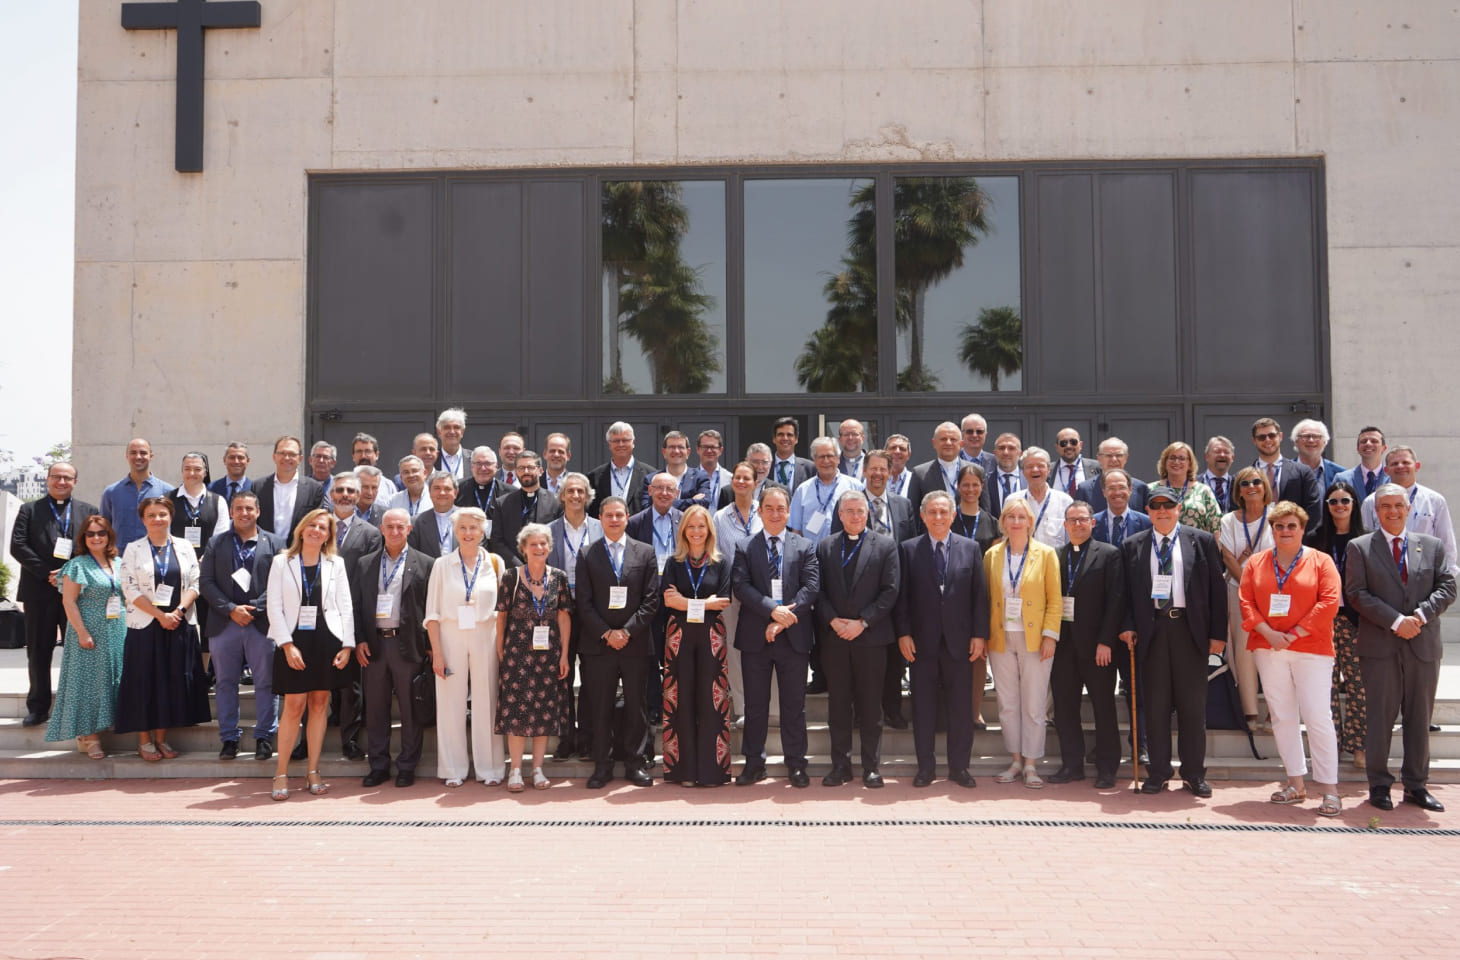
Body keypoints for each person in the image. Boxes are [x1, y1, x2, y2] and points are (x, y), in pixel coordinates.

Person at [1346, 483, 1457, 812]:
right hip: (1380, 646)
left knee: (1418, 718)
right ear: (1376, 511)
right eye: (1385, 506)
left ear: (1409, 508)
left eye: (1398, 505)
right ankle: (1379, 785)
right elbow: (1356, 593)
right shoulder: (1360, 547)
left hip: (1422, 645)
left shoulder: (1432, 546)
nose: (1392, 511)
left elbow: (1448, 585)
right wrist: (1396, 621)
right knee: (1379, 718)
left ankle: (1416, 785)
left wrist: (1419, 616)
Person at [1118, 484, 1227, 797]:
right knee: (1155, 707)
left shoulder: (1201, 541)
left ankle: (1194, 773)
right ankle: (1159, 772)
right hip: (1151, 633)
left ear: (1179, 508)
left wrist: (1218, 634)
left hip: (1189, 632)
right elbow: (1124, 593)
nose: (1163, 511)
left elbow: (1216, 592)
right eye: (1156, 506)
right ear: (1148, 511)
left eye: (1169, 505)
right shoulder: (1133, 545)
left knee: (1193, 708)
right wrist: (1127, 626)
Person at [1238, 500, 1344, 817]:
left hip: (1311, 648)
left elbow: (1329, 601)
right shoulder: (1256, 563)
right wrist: (1269, 634)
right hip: (1268, 647)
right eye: (1279, 526)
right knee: (1282, 716)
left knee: (1317, 716)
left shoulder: (1321, 561)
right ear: (1271, 530)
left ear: (1301, 529)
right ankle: (1295, 783)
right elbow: (1245, 601)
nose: (1285, 531)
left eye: (1291, 526)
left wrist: (1294, 633)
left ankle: (1329, 790)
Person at [894, 490, 989, 788]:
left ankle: (959, 768)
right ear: (922, 516)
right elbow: (902, 598)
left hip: (960, 644)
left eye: (943, 512)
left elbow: (979, 596)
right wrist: (904, 633)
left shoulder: (970, 548)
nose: (937, 517)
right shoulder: (908, 549)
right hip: (921, 644)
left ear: (952, 516)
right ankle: (926, 768)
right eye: (932, 512)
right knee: (922, 708)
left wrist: (979, 635)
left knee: (961, 710)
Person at [265, 508, 356, 800]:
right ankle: (281, 773)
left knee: (319, 704)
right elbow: (274, 606)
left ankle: (313, 771)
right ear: (302, 530)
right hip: (294, 640)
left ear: (329, 535)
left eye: (323, 527)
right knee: (293, 707)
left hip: (327, 639)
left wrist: (347, 644)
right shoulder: (282, 562)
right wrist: (286, 644)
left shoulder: (335, 564)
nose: (317, 530)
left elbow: (346, 606)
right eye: (312, 526)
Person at [732, 484, 819, 788]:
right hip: (756, 637)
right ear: (759, 511)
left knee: (793, 706)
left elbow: (810, 589)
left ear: (788, 511)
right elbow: (741, 587)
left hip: (793, 637)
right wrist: (773, 611)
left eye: (781, 508)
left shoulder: (804, 546)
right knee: (755, 706)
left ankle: (796, 764)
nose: (775, 513)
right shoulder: (745, 546)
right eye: (768, 508)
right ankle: (754, 764)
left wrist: (782, 620)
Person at [115, 497, 210, 761]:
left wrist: (177, 611)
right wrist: (159, 615)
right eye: (151, 515)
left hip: (178, 624)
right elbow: (129, 588)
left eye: (162, 514)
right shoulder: (133, 549)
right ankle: (144, 741)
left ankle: (161, 738)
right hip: (145, 625)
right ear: (143, 519)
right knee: (144, 681)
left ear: (171, 517)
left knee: (169, 681)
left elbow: (195, 581)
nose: (157, 519)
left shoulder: (184, 547)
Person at [575, 496, 660, 788]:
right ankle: (603, 764)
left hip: (634, 644)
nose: (614, 520)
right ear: (601, 518)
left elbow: (651, 600)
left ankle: (635, 764)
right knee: (600, 706)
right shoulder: (587, 554)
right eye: (608, 515)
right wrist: (607, 633)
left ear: (627, 518)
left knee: (636, 704)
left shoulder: (645, 552)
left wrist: (627, 632)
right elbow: (583, 602)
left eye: (619, 515)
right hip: (598, 645)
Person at [816, 491, 899, 788]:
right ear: (839, 515)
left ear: (868, 514)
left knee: (870, 706)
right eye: (849, 511)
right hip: (836, 637)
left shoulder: (886, 546)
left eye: (860, 511)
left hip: (871, 637)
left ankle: (871, 767)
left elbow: (890, 591)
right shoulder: (825, 547)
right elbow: (819, 590)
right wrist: (832, 620)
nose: (855, 516)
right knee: (838, 705)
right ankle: (840, 766)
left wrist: (863, 622)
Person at [9, 461, 99, 726]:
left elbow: (95, 545)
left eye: (67, 478)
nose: (61, 482)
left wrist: (69, 573)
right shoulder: (29, 510)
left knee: (79, 651)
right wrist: (48, 572)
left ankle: (78, 704)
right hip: (39, 591)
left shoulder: (88, 511)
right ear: (48, 479)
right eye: (56, 477)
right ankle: (38, 706)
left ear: (75, 482)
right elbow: (18, 546)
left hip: (78, 592)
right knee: (38, 650)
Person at [197, 490, 284, 761]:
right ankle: (229, 738)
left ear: (258, 511)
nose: (244, 513)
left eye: (249, 508)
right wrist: (231, 609)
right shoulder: (216, 542)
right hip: (225, 623)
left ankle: (264, 737)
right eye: (239, 508)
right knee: (225, 683)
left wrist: (255, 608)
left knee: (266, 683)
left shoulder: (275, 542)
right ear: (231, 512)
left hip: (262, 623)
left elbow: (281, 583)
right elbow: (206, 582)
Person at [353, 508, 435, 788]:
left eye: (401, 527)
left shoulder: (426, 563)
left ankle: (407, 766)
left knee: (411, 710)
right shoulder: (365, 563)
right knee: (376, 710)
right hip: (374, 645)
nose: (395, 532)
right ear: (381, 528)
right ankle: (378, 766)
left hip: (408, 645)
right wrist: (360, 639)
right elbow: (356, 604)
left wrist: (429, 646)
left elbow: (430, 608)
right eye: (390, 527)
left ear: (409, 529)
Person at [424, 507, 506, 787]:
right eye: (463, 528)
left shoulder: (495, 563)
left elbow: (503, 610)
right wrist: (437, 651)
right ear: (455, 532)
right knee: (450, 703)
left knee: (487, 702)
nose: (468, 533)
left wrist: (502, 647)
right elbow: (432, 613)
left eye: (474, 528)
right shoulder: (441, 565)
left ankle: (491, 768)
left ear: (484, 531)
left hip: (486, 634)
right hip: (451, 634)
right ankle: (453, 769)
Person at [984, 497, 1062, 788]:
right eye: (1010, 517)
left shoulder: (1046, 554)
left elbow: (1055, 599)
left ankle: (1031, 763)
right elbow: (986, 598)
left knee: (1034, 703)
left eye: (1021, 517)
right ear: (1003, 522)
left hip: (1035, 638)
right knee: (1007, 703)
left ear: (1030, 522)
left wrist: (1050, 636)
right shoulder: (992, 555)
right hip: (1001, 637)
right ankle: (1015, 760)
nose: (1016, 522)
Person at [1050, 501, 1125, 788]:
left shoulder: (1108, 554)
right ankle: (1072, 765)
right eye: (1072, 520)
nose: (1078, 524)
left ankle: (1108, 768)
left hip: (1098, 648)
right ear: (1065, 525)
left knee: (1103, 708)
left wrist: (1106, 641)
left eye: (1083, 519)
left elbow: (1115, 601)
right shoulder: (1055, 556)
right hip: (1063, 647)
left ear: (1093, 523)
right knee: (1065, 708)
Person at [659, 505, 734, 787]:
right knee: (681, 700)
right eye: (691, 526)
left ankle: (712, 772)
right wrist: (705, 603)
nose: (696, 531)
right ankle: (684, 771)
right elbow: (669, 600)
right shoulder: (674, 563)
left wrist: (687, 603)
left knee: (711, 701)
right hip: (678, 638)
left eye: (701, 526)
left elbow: (723, 600)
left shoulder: (721, 562)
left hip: (711, 638)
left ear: (709, 531)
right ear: (683, 531)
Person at [495, 523, 572, 793]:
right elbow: (501, 616)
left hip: (548, 654)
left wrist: (564, 654)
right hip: (517, 653)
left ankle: (538, 769)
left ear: (549, 547)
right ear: (523, 548)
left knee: (543, 712)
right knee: (516, 713)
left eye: (543, 544)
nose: (539, 548)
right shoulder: (510, 576)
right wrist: (501, 653)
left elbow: (563, 615)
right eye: (533, 544)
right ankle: (515, 769)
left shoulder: (559, 577)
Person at [44, 515, 126, 759]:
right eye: (91, 534)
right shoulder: (77, 565)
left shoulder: (119, 563)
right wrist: (82, 633)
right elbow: (68, 601)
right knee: (88, 684)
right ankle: (89, 737)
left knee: (110, 680)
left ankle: (105, 726)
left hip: (117, 630)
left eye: (101, 532)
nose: (96, 537)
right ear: (84, 538)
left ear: (109, 535)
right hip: (89, 631)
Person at [1305, 479, 1368, 770]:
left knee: (1357, 684)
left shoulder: (1367, 538)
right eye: (1333, 502)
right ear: (1326, 506)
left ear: (1354, 505)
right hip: (1322, 621)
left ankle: (1358, 746)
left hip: (1356, 621)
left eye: (1345, 501)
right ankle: (1329, 745)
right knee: (1325, 687)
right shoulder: (1315, 539)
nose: (1339, 506)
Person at [545, 472, 602, 759]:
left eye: (580, 491)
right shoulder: (549, 531)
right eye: (570, 491)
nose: (576, 496)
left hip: (593, 610)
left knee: (592, 675)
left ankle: (588, 737)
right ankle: (565, 737)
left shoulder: (601, 528)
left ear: (587, 495)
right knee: (561, 675)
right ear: (563, 495)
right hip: (560, 609)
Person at [327, 472, 383, 761]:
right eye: (339, 490)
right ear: (331, 494)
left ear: (359, 494)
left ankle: (349, 738)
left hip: (351, 614)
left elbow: (369, 581)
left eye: (351, 490)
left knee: (351, 683)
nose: (345, 494)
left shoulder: (371, 534)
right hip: (320, 615)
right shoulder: (317, 526)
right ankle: (306, 739)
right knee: (316, 678)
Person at [1217, 466, 1275, 730]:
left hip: (1275, 595)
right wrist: (1249, 588)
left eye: (1256, 482)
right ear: (1238, 490)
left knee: (1273, 652)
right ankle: (1250, 712)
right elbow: (1228, 557)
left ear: (1264, 486)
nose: (1251, 487)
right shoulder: (1229, 520)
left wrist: (1261, 591)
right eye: (1244, 483)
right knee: (1244, 651)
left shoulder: (1277, 516)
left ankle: (1275, 711)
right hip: (1238, 592)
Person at [713, 461, 764, 729]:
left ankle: (766, 706)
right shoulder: (720, 517)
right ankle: (743, 708)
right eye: (737, 478)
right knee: (734, 649)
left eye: (747, 478)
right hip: (732, 592)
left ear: (756, 482)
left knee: (763, 648)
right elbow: (717, 556)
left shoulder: (765, 512)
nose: (741, 482)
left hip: (763, 592)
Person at [1359, 446, 1458, 573]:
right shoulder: (1371, 502)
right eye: (1394, 463)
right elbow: (1364, 543)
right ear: (1386, 470)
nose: (1400, 466)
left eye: (1406, 462)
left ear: (1417, 466)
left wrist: (1445, 580)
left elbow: (1447, 543)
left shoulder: (1435, 500)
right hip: (1384, 575)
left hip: (1426, 576)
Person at [168, 451, 229, 651]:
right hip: (177, 570)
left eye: (197, 469)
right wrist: (185, 563)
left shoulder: (217, 501)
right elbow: (164, 535)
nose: (192, 473)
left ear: (205, 472)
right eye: (187, 469)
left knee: (206, 625)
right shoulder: (168, 500)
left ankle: (203, 677)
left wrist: (203, 561)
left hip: (208, 572)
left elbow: (221, 537)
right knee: (178, 622)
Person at [489, 450, 562, 565]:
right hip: (514, 570)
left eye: (530, 467)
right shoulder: (502, 504)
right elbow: (497, 541)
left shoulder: (556, 502)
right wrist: (519, 566)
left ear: (540, 471)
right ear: (516, 472)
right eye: (521, 468)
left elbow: (558, 540)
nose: (526, 471)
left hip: (546, 569)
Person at [100, 438, 173, 549]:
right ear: (127, 456)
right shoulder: (111, 492)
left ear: (151, 456)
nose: (138, 457)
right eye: (133, 453)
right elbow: (104, 528)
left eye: (143, 453)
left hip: (155, 558)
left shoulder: (167, 491)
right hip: (120, 559)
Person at [1250, 417, 1322, 530]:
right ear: (1254, 440)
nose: (1267, 440)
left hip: (1293, 539)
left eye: (1272, 435)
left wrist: (1295, 537)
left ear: (1280, 436)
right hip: (1255, 542)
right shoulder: (1243, 478)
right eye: (1261, 437)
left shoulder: (1303, 473)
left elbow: (1313, 511)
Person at [788, 436, 863, 544]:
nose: (826, 461)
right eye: (821, 457)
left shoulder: (855, 487)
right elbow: (796, 531)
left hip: (847, 555)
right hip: (812, 557)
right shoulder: (802, 490)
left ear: (838, 458)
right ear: (814, 460)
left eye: (830, 456)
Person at [255, 436, 325, 543]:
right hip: (266, 551)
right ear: (274, 457)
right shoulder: (258, 486)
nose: (286, 458)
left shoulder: (314, 489)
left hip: (299, 551)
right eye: (282, 453)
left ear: (300, 459)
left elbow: (316, 523)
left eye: (292, 454)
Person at [1005, 446, 1071, 547]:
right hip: (1023, 561)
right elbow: (1006, 538)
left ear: (1048, 469)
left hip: (1055, 561)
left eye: (1040, 466)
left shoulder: (1065, 501)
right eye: (1029, 466)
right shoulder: (1012, 501)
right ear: (1022, 471)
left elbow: (1071, 540)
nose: (1035, 470)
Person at [586, 422, 653, 520]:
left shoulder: (650, 475)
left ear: (633, 442)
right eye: (616, 441)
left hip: (637, 533)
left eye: (625, 440)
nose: (621, 444)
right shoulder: (593, 477)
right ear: (609, 444)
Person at [1155, 441, 1222, 534]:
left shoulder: (1203, 491)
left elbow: (1216, 527)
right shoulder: (1151, 489)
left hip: (1195, 547)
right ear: (1165, 462)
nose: (1176, 462)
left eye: (1182, 458)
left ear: (1190, 464)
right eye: (1172, 458)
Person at [639, 430, 712, 511]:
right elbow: (646, 507)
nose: (676, 451)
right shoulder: (651, 479)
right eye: (671, 447)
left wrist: (662, 504)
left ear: (688, 452)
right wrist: (692, 501)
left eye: (680, 447)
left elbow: (704, 503)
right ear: (664, 452)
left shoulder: (700, 477)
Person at [1076, 437, 1150, 514]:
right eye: (1108, 455)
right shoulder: (1085, 489)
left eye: (1119, 455)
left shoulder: (1141, 488)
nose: (1114, 459)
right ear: (1099, 458)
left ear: (1126, 458)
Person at [909, 422, 966, 516]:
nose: (948, 442)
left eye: (953, 439)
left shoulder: (975, 471)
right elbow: (913, 513)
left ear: (961, 444)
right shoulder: (920, 473)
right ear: (934, 443)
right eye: (943, 439)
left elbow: (985, 510)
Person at [1091, 468, 1152, 548]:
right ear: (1104, 492)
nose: (1117, 493)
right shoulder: (1091, 524)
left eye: (1122, 487)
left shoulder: (1147, 523)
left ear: (1130, 490)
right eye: (1111, 488)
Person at [406, 470, 459, 558]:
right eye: (437, 488)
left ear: (456, 493)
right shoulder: (416, 522)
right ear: (430, 492)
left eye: (447, 489)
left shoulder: (469, 519)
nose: (442, 493)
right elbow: (412, 557)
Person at [1333, 426, 1388, 502]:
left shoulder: (1393, 478)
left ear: (1384, 448)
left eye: (1374, 441)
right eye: (1363, 441)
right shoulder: (1343, 479)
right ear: (1358, 449)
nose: (1368, 443)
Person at [952, 463, 999, 551]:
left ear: (982, 486)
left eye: (975, 485)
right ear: (958, 486)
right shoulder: (948, 520)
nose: (970, 489)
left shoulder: (993, 525)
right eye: (966, 485)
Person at [1291, 418, 1343, 492]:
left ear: (1325, 442)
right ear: (1296, 441)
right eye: (1306, 436)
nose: (1311, 440)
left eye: (1316, 436)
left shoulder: (1339, 473)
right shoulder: (1284, 472)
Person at [770, 417, 816, 491]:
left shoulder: (810, 468)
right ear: (774, 439)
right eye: (781, 434)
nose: (785, 438)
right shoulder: (765, 466)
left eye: (789, 435)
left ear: (796, 439)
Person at [349, 432, 398, 501]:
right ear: (353, 456)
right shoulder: (345, 484)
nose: (363, 456)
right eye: (359, 451)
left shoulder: (388, 486)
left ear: (377, 455)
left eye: (368, 451)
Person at [1052, 427, 1100, 497]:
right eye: (1063, 443)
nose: (1068, 446)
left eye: (1073, 442)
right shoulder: (1047, 470)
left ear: (1080, 445)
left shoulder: (1097, 467)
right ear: (1057, 447)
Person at [457, 445, 502, 514]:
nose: (483, 468)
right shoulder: (457, 489)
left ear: (496, 466)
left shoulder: (509, 493)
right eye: (478, 463)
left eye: (487, 463)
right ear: (471, 466)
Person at [988, 433, 1025, 517]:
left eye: (1011, 448)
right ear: (995, 453)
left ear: (1020, 453)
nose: (1006, 452)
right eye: (1001, 448)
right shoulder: (985, 481)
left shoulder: (1029, 481)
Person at [1197, 436, 1237, 512]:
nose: (1222, 455)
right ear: (1207, 456)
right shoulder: (1194, 483)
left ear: (1232, 458)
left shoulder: (1238, 484)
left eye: (1226, 452)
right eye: (1217, 451)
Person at [695, 429, 732, 507]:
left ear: (720, 450)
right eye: (705, 447)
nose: (709, 451)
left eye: (713, 447)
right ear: (698, 449)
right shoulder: (688, 479)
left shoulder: (731, 479)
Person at [387, 455, 431, 519]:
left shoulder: (435, 498)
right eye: (406, 472)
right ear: (401, 477)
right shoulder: (393, 500)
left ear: (425, 473)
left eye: (414, 471)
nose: (411, 475)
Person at [434, 407, 469, 480]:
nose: (452, 432)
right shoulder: (432, 459)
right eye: (447, 427)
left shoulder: (474, 459)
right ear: (439, 432)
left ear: (462, 432)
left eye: (456, 427)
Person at [885, 433, 916, 502]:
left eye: (902, 449)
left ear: (909, 455)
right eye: (893, 448)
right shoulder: (875, 478)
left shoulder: (914, 480)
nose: (897, 451)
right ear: (885, 453)